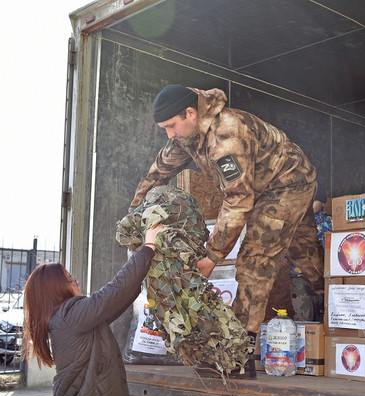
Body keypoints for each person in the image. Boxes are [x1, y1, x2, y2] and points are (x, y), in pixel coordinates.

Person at [130, 84, 325, 378]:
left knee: (255, 261)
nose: (169, 134)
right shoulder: (187, 135)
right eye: (164, 128)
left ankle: (237, 355)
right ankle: (334, 307)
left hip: (287, 185)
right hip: (261, 187)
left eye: (171, 126)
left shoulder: (226, 136)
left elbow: (237, 201)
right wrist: (135, 216)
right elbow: (157, 172)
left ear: (191, 113)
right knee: (305, 253)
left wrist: (212, 256)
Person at [23, 223, 163, 396]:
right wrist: (148, 248)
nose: (75, 281)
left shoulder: (66, 317)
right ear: (56, 288)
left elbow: (114, 303)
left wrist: (144, 268)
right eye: (69, 279)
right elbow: (111, 295)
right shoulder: (70, 315)